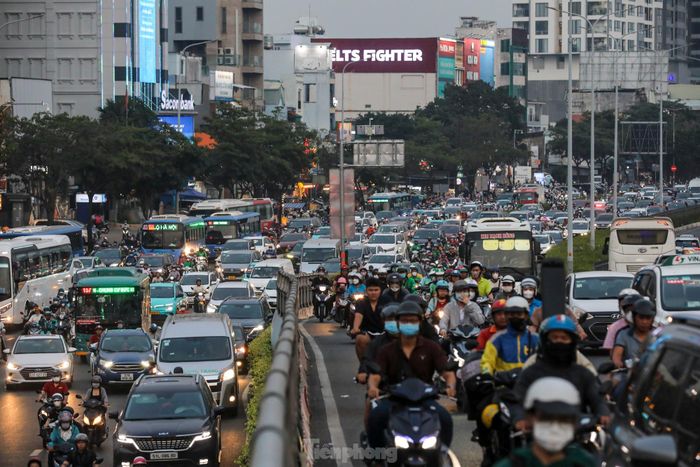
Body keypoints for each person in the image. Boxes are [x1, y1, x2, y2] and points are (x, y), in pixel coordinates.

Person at [366, 301, 456, 450]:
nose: (409, 323)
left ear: (420, 322)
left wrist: (451, 386)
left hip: (425, 399)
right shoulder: (386, 350)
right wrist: (373, 387)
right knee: (375, 418)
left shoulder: (431, 347)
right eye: (404, 320)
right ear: (398, 322)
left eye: (413, 321)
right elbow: (376, 374)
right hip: (395, 399)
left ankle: (442, 453)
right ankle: (378, 456)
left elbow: (447, 372)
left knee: (445, 419)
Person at [512, 315, 610, 433]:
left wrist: (603, 413)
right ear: (546, 341)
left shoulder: (583, 373)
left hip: (576, 431)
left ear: (572, 342)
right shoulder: (531, 372)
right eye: (555, 338)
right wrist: (520, 418)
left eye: (564, 338)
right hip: (538, 432)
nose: (559, 341)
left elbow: (596, 399)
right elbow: (518, 399)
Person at [494, 377, 596, 467]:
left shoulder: (585, 463)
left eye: (563, 419)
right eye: (546, 417)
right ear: (530, 418)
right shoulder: (512, 464)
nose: (554, 426)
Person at [481, 296, 540, 376]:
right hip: (503, 385)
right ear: (507, 316)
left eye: (519, 314)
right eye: (512, 314)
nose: (515, 317)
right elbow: (487, 362)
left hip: (529, 384)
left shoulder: (535, 339)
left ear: (526, 315)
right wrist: (486, 375)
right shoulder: (497, 339)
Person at [612, 298, 656, 368]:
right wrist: (618, 363)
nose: (644, 322)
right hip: (628, 374)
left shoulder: (658, 335)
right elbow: (617, 355)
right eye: (641, 318)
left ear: (652, 319)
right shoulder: (623, 334)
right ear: (634, 317)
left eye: (648, 318)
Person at [350, 277, 384, 360]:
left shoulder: (386, 302)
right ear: (366, 291)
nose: (373, 292)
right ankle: (364, 365)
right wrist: (355, 328)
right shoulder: (362, 303)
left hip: (384, 334)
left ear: (380, 291)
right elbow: (358, 315)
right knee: (360, 339)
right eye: (370, 290)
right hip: (367, 333)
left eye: (376, 290)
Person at [602, 289, 642, 354]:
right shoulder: (614, 327)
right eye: (627, 307)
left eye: (632, 305)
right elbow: (612, 353)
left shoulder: (649, 324)